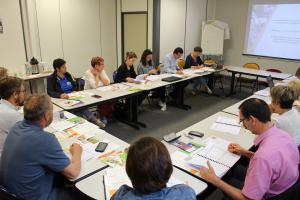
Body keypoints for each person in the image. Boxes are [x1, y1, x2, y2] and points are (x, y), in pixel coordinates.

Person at [199, 98, 299, 200]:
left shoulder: (263, 157)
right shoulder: (283, 135)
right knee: (232, 170)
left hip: (273, 195)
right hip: (287, 186)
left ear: (252, 120)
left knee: (224, 177)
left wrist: (215, 180)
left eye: (242, 120)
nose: (243, 124)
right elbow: (274, 162)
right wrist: (245, 152)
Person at [0, 94, 82, 200]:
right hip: (32, 196)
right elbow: (73, 173)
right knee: (77, 192)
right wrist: (77, 152)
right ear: (47, 116)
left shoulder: (16, 127)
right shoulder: (46, 140)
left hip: (9, 192)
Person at [111, 137, 196, 200]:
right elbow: (184, 189)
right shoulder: (186, 193)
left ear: (129, 171)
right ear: (168, 169)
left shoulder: (121, 196)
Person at [47, 58, 105, 128]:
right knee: (76, 109)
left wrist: (75, 90)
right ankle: (87, 123)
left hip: (72, 97)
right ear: (57, 69)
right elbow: (50, 92)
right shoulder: (51, 78)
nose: (66, 68)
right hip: (62, 100)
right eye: (63, 67)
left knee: (82, 106)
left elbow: (74, 85)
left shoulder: (67, 75)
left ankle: (93, 121)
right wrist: (60, 95)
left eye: (65, 66)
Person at [83, 56, 112, 124]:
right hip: (90, 94)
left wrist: (99, 75)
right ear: (96, 65)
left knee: (110, 98)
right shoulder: (88, 73)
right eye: (102, 64)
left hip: (101, 91)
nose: (103, 66)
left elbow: (108, 82)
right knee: (103, 98)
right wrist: (96, 76)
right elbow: (94, 86)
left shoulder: (102, 71)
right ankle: (102, 116)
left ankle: (103, 114)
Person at [0, 77, 25, 154]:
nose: (24, 94)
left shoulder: (2, 105)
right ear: (15, 94)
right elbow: (29, 138)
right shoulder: (12, 114)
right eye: (23, 91)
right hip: (8, 157)